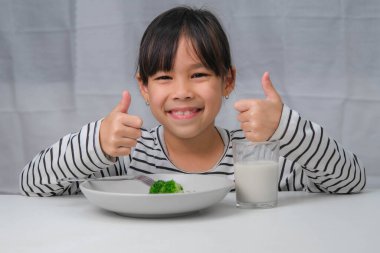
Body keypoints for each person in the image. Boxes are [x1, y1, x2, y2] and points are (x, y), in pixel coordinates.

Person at [19, 6, 366, 197]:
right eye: (164, 77)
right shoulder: (130, 156)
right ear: (143, 87)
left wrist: (285, 129)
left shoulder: (256, 155)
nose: (182, 91)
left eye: (199, 75)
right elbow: (34, 185)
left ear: (227, 80)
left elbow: (349, 181)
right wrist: (97, 142)